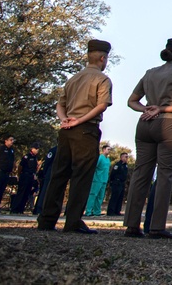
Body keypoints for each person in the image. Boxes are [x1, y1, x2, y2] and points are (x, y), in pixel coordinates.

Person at [37, 39, 113, 234]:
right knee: (82, 175)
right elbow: (101, 105)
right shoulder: (102, 79)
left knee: (59, 174)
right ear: (103, 58)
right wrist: (79, 121)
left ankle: (46, 219)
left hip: (66, 130)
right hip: (85, 129)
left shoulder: (73, 79)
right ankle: (73, 222)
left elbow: (60, 104)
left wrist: (65, 120)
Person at [123, 38, 172, 239]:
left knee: (140, 173)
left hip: (145, 124)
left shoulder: (150, 73)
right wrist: (161, 109)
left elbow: (131, 101)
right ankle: (156, 226)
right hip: (169, 124)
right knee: (165, 175)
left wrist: (147, 109)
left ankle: (131, 224)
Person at [11, 142, 41, 214]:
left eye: (38, 149)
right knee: (21, 193)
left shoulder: (35, 158)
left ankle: (21, 209)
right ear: (32, 149)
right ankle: (15, 209)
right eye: (36, 149)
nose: (37, 150)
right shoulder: (27, 157)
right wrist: (19, 175)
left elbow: (35, 168)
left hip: (31, 176)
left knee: (26, 193)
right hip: (25, 175)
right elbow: (20, 166)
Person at [84, 145, 111, 216]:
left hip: (104, 180)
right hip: (97, 179)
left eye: (110, 149)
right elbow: (94, 167)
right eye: (108, 149)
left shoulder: (108, 159)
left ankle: (97, 211)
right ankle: (88, 211)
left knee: (100, 197)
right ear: (104, 150)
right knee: (93, 195)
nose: (109, 151)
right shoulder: (100, 158)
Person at [32, 145, 57, 215]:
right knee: (45, 191)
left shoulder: (64, 150)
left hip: (58, 173)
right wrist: (45, 172)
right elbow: (47, 162)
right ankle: (39, 209)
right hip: (50, 172)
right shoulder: (54, 150)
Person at [0, 136, 15, 211]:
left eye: (13, 140)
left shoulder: (11, 150)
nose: (12, 141)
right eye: (10, 140)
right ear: (6, 140)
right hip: (0, 171)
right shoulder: (1, 149)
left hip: (6, 173)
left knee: (2, 190)